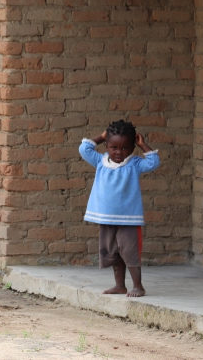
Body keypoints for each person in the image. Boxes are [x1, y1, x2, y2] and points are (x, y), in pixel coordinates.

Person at [79, 120, 161, 297]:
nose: (119, 152)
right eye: (113, 147)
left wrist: (143, 144)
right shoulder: (100, 161)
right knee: (113, 252)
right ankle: (119, 285)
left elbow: (153, 162)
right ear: (107, 145)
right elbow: (84, 149)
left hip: (128, 219)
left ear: (132, 147)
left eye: (125, 148)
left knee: (130, 251)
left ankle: (138, 286)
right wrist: (101, 136)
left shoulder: (135, 164)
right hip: (106, 218)